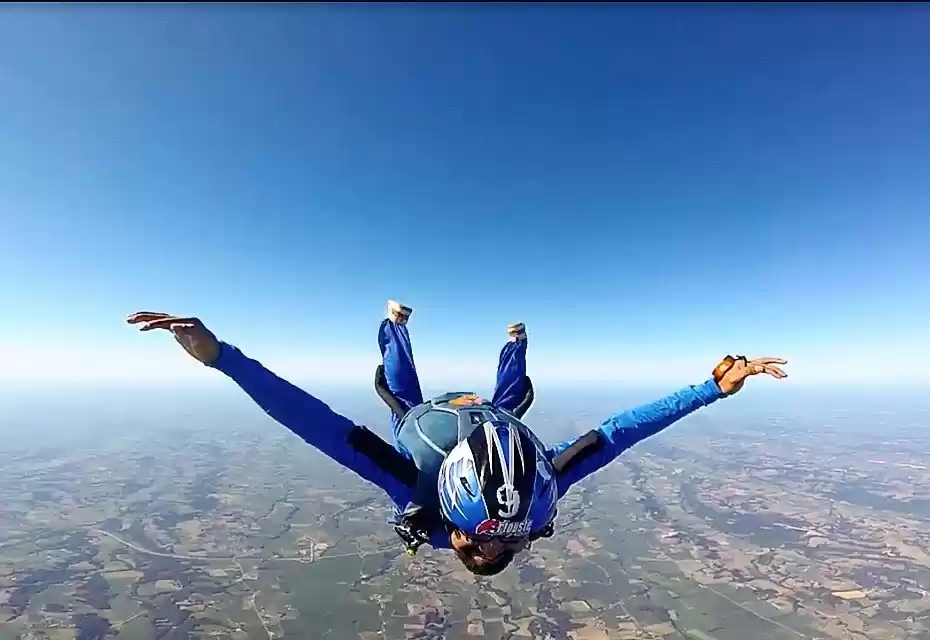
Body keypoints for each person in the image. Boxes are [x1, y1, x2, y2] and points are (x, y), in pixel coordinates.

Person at [126, 305, 788, 576]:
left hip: (431, 429)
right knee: (512, 393)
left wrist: (223, 359)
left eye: (479, 542)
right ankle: (504, 340)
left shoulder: (412, 485)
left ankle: (396, 325)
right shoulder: (539, 489)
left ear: (457, 529)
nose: (495, 541)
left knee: (398, 393)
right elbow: (617, 433)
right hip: (485, 421)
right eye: (508, 540)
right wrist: (708, 388)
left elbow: (311, 421)